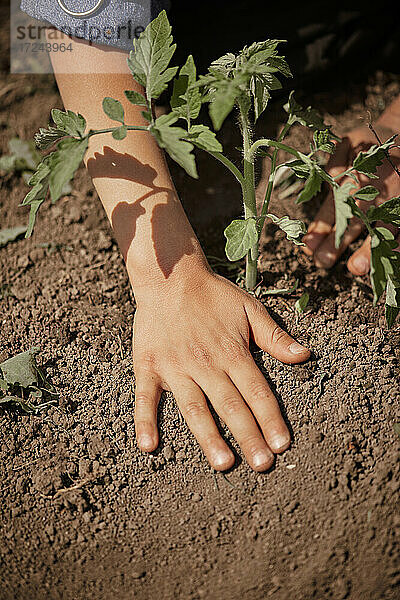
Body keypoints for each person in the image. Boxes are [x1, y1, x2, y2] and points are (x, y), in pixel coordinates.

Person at [19, 0, 399, 472]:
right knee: (45, 37)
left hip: (362, 31)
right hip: (170, 33)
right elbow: (73, 30)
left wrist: (398, 124)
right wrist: (167, 276)